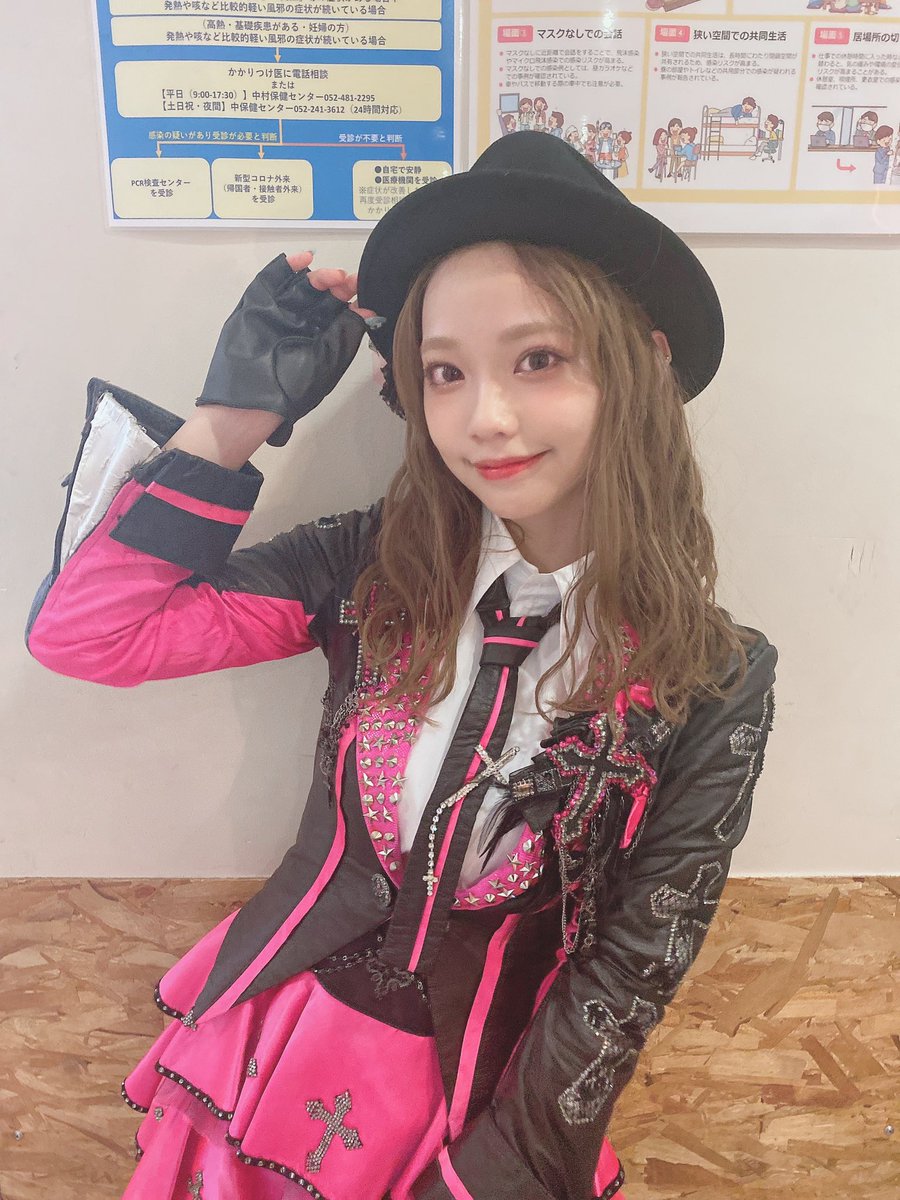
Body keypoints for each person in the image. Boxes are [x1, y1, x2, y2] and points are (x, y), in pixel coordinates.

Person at [26, 132, 777, 1200]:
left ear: (642, 364)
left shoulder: (715, 674)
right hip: (269, 1056)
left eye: (539, 359)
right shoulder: (367, 572)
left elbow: (630, 969)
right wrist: (233, 421)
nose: (487, 419)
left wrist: (489, 1178)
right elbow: (90, 635)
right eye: (444, 372)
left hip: (485, 1115)